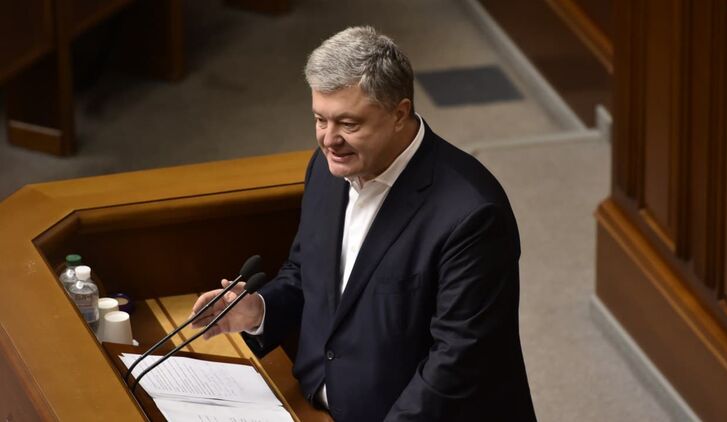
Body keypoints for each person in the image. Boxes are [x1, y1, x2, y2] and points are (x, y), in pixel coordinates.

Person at [191, 26, 536, 422]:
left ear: (399, 114)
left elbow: (457, 361)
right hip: (318, 406)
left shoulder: (472, 215)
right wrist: (258, 310)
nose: (328, 139)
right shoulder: (327, 169)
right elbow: (306, 273)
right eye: (320, 119)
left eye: (348, 124)